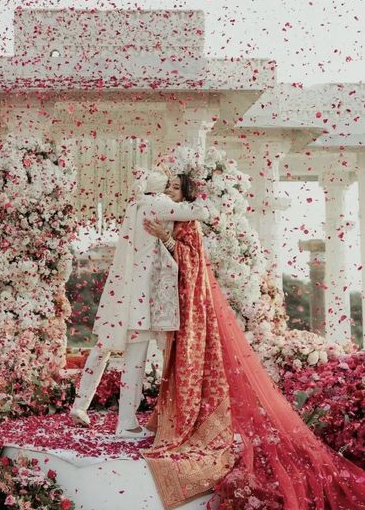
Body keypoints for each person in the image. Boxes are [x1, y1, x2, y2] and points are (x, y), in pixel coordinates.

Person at [142, 173, 365, 510]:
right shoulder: (176, 216)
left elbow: (191, 261)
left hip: (192, 304)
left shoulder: (187, 220)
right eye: (168, 186)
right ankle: (180, 418)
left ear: (187, 194)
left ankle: (193, 423)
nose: (168, 191)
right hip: (179, 302)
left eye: (174, 187)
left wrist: (165, 239)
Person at [70, 169, 208, 438]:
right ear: (157, 188)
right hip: (141, 300)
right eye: (167, 185)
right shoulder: (158, 205)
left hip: (121, 293)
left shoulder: (134, 205)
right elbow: (200, 212)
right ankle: (127, 423)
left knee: (104, 347)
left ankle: (80, 403)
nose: (170, 189)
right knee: (134, 362)